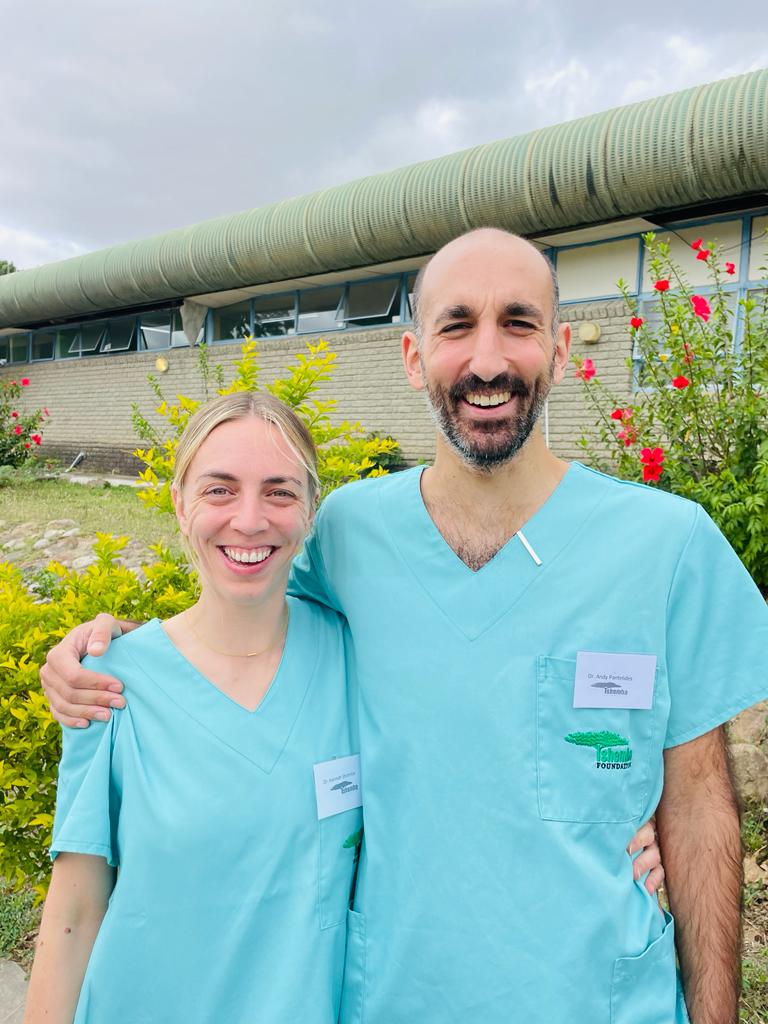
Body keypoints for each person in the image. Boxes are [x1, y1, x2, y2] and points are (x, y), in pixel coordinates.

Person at [40, 228, 734, 1022]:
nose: (486, 360)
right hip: (403, 996)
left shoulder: (667, 545)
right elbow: (243, 614)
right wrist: (117, 648)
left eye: (517, 321)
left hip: (599, 998)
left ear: (562, 348)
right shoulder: (352, 534)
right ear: (412, 355)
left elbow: (701, 805)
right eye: (455, 325)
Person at [25, 393, 362, 1023]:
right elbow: (73, 913)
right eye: (219, 490)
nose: (250, 520)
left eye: (280, 492)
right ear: (181, 505)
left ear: (310, 510)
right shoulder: (109, 683)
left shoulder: (353, 658)